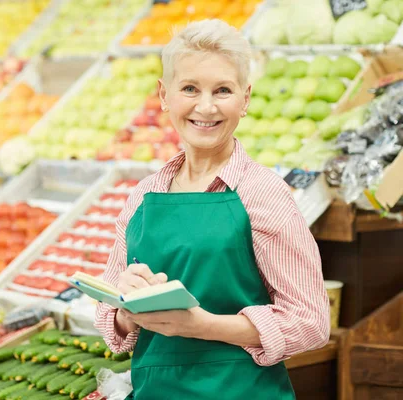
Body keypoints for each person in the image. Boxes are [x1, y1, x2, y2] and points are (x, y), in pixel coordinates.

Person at [94, 19, 331, 399]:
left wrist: (202, 325)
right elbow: (110, 321)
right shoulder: (142, 195)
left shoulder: (262, 192)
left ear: (246, 98)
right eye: (190, 88)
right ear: (164, 94)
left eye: (223, 90)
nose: (206, 107)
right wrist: (127, 310)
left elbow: (311, 322)